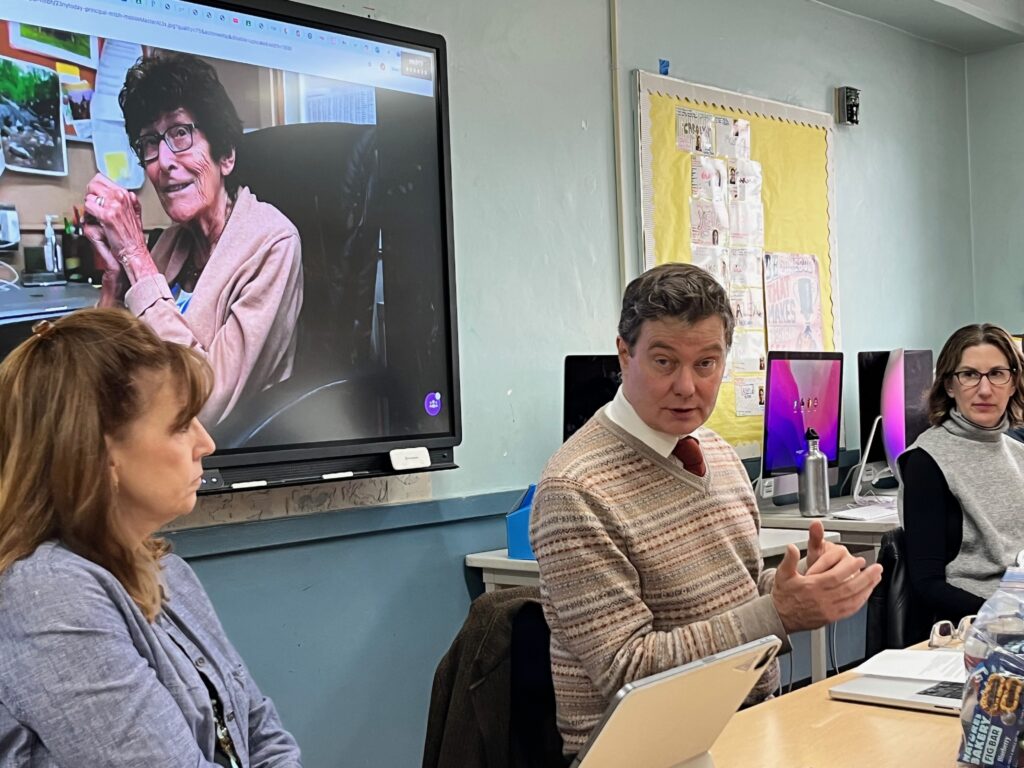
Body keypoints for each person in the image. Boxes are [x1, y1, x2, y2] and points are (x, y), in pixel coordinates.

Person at [529, 263, 881, 758]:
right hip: (644, 752)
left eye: (706, 364)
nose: (687, 387)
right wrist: (778, 613)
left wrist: (797, 586)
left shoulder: (715, 451)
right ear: (624, 354)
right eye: (664, 362)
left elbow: (738, 592)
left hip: (748, 725)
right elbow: (629, 670)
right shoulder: (575, 489)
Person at [0, 308, 302, 767]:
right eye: (181, 425)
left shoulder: (167, 571)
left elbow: (258, 727)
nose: (206, 444)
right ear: (101, 453)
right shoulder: (46, 592)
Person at [83, 52, 303, 426]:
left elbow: (205, 403)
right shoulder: (173, 242)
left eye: (180, 133)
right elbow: (100, 373)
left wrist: (136, 255)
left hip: (213, 444)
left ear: (226, 155)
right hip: (146, 423)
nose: (163, 161)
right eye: (149, 142)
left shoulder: (273, 242)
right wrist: (114, 279)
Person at [899, 323, 1024, 626]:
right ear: (949, 386)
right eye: (969, 375)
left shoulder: (1018, 453)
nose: (985, 389)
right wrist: (1006, 618)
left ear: (1013, 383)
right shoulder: (926, 461)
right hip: (972, 626)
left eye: (997, 374)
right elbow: (928, 584)